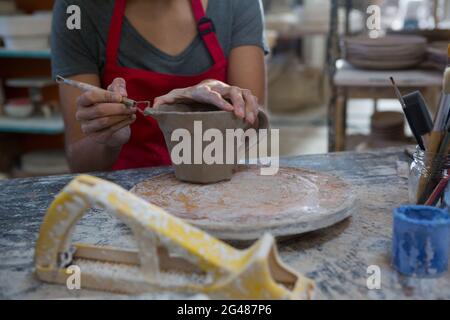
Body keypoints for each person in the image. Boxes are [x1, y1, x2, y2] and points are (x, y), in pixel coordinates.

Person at [52, 0, 268, 172]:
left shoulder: (237, 4)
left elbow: (252, 134)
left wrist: (216, 102)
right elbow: (79, 163)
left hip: (215, 192)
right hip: (123, 202)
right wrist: (106, 141)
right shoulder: (76, 10)